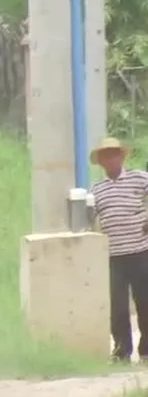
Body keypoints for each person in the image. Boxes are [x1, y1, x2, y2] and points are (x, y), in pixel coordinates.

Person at [90, 137, 148, 363]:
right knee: (118, 307)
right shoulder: (97, 188)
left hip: (141, 251)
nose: (111, 159)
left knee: (145, 302)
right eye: (106, 155)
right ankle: (122, 352)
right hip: (113, 256)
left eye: (115, 154)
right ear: (101, 162)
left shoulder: (138, 178)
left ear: (122, 157)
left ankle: (146, 351)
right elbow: (88, 216)